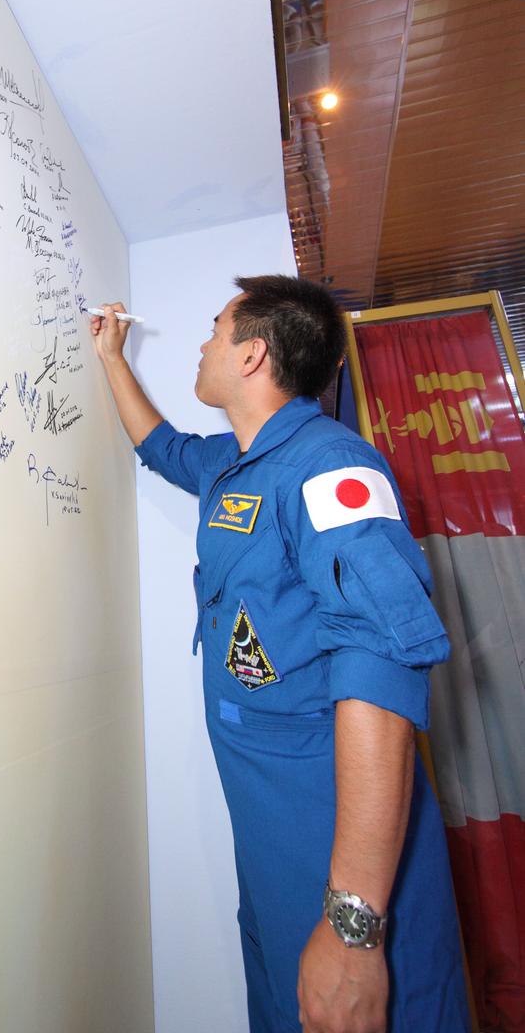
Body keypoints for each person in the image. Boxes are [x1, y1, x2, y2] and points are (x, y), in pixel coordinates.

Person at [91, 276, 470, 1033]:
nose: (201, 344)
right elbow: (162, 450)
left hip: (334, 825)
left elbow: (381, 665)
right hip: (268, 828)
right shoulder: (242, 464)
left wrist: (355, 923)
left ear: (252, 353)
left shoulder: (328, 466)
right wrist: (110, 359)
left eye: (214, 329)